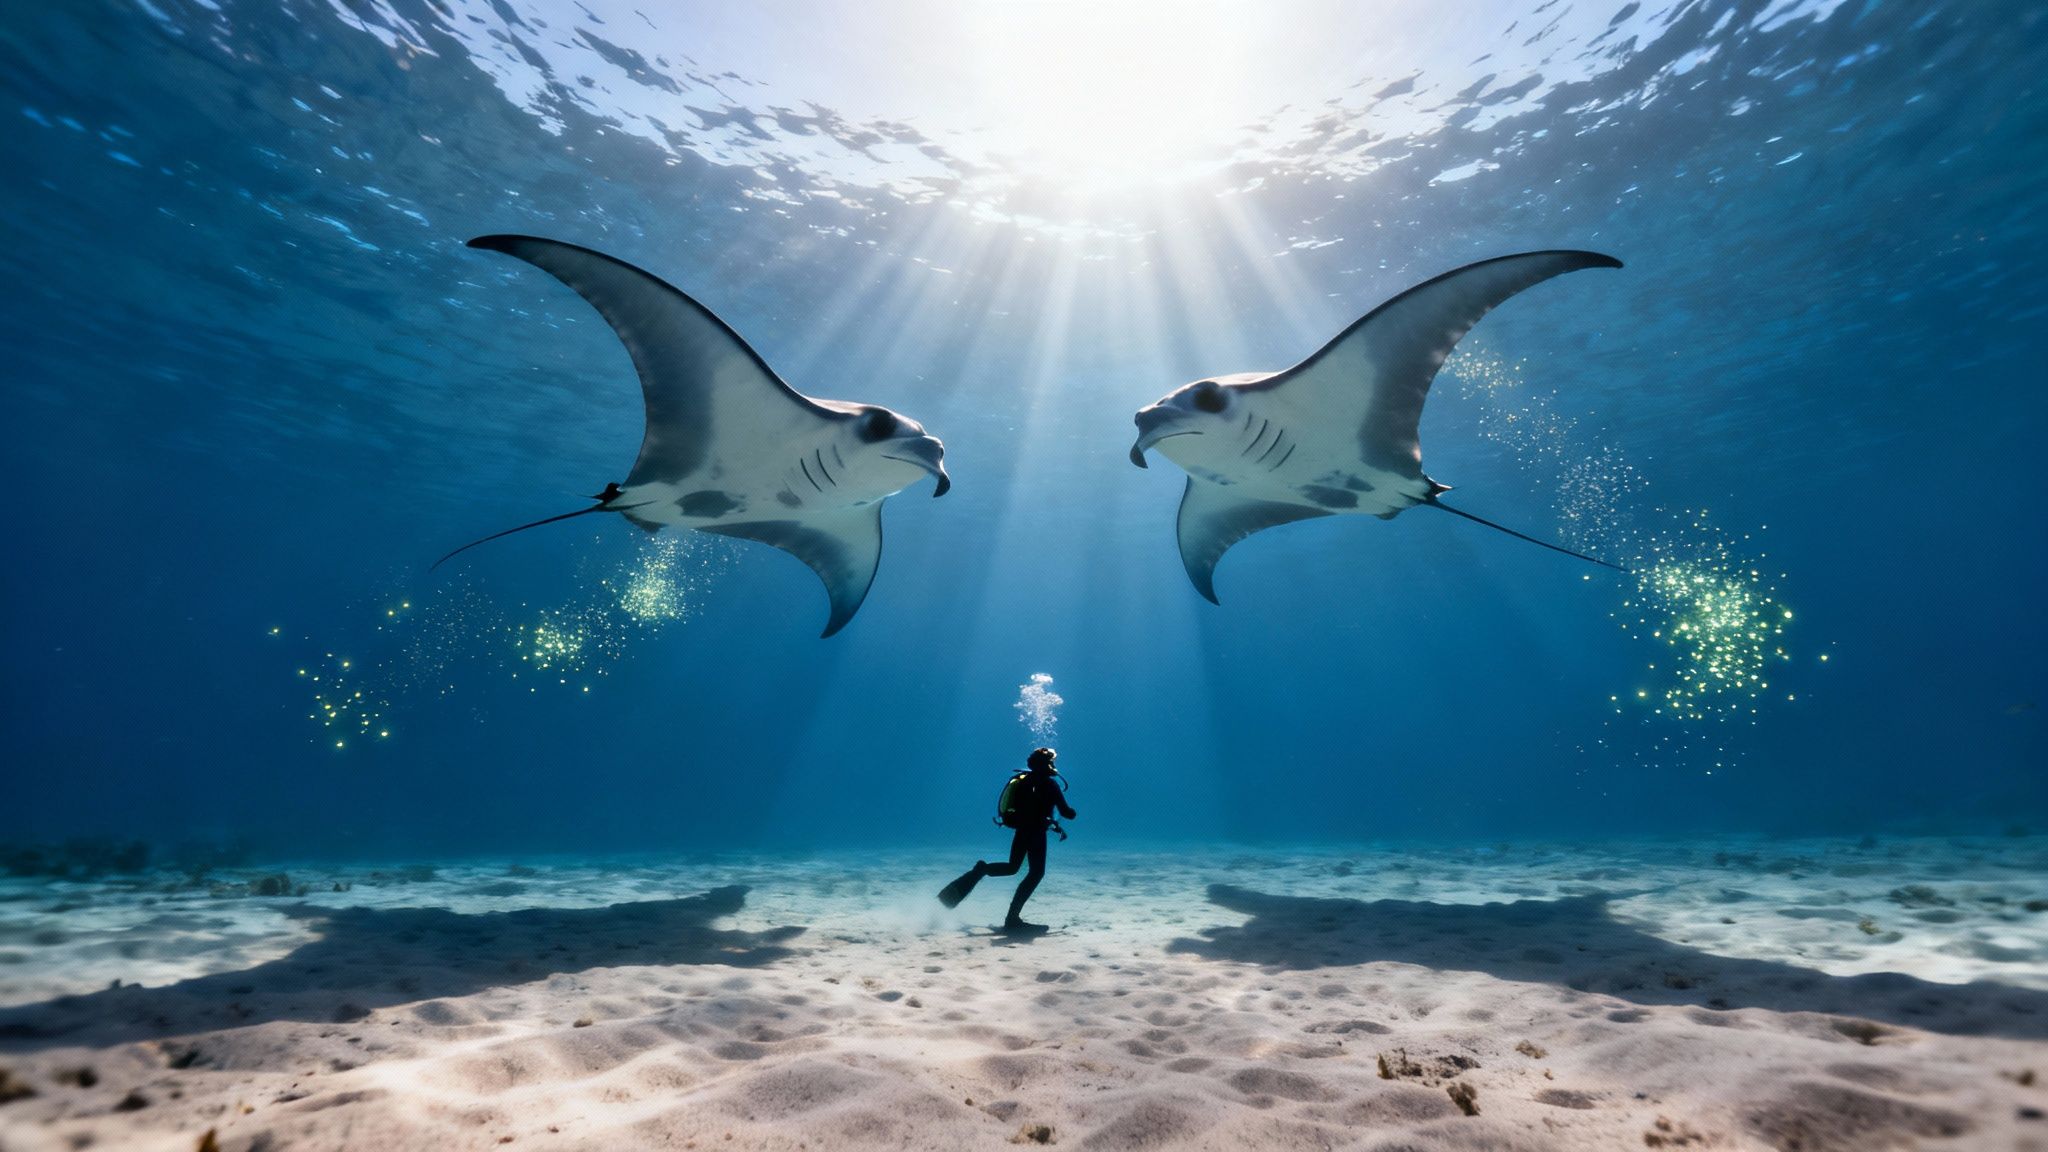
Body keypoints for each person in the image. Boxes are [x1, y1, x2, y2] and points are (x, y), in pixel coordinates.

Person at [938, 747, 1077, 931]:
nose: (1053, 765)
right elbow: (1067, 813)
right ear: (1046, 764)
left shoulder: (1023, 781)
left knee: (1012, 867)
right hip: (1035, 833)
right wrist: (1072, 812)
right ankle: (1012, 919)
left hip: (1021, 831)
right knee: (1036, 873)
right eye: (1051, 762)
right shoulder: (1050, 784)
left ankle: (982, 870)